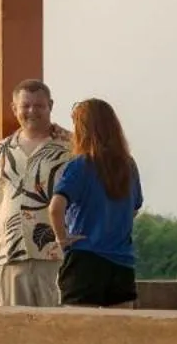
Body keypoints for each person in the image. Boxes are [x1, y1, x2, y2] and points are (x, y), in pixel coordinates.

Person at [0, 80, 71, 307]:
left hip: (57, 258)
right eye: (25, 106)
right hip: (11, 257)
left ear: (51, 106)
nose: (32, 111)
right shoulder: (2, 150)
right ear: (14, 108)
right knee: (15, 335)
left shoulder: (70, 148)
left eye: (39, 106)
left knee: (58, 333)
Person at [50, 98, 143, 309]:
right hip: (122, 262)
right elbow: (134, 208)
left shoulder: (80, 165)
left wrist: (61, 238)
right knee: (119, 335)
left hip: (85, 259)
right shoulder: (128, 165)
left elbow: (55, 207)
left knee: (78, 334)